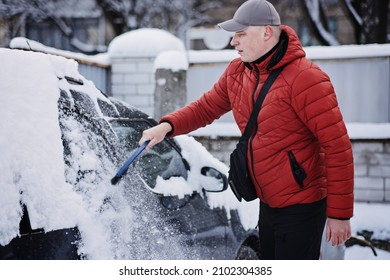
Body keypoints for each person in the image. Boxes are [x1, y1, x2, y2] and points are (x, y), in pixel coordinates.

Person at [138, 0, 354, 260]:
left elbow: (337, 147)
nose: (233, 41)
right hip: (268, 202)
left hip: (302, 206)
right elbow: (205, 108)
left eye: (241, 34)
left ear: (266, 32)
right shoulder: (238, 72)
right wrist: (167, 126)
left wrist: (339, 214)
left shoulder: (306, 79)